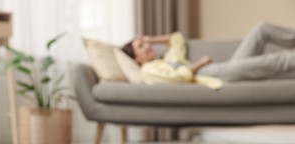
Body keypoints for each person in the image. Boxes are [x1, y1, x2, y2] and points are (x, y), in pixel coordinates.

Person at [122, 22, 295, 86]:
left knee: (261, 29)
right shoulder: (148, 70)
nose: (146, 46)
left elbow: (177, 39)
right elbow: (178, 78)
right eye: (141, 46)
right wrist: (200, 64)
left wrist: (151, 39)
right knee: (276, 60)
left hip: (219, 68)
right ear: (136, 59)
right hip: (206, 74)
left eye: (145, 44)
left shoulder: (167, 58)